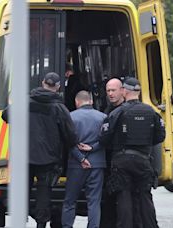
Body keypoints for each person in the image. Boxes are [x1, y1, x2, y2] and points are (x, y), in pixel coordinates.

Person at [100, 77, 166, 228]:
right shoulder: (151, 112)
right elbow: (160, 136)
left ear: (124, 91)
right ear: (139, 91)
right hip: (143, 159)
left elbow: (104, 137)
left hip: (121, 160)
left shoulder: (118, 112)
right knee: (145, 196)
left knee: (123, 197)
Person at [29, 72, 78, 228]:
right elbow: (70, 134)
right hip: (48, 158)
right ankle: (41, 223)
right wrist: (75, 145)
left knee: (22, 192)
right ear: (57, 87)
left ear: (43, 82)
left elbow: (6, 115)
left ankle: (25, 214)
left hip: (25, 156)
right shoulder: (59, 108)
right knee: (44, 192)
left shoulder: (25, 101)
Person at [62, 90, 107, 228]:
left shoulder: (70, 117)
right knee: (94, 201)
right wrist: (93, 148)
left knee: (70, 201)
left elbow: (68, 142)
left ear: (77, 102)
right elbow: (107, 140)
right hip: (97, 163)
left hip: (76, 165)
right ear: (91, 101)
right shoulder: (103, 117)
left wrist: (81, 158)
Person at [100, 77, 125, 228]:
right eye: (108, 91)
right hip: (109, 160)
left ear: (122, 91)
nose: (110, 94)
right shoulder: (108, 110)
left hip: (122, 159)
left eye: (113, 90)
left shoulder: (126, 110)